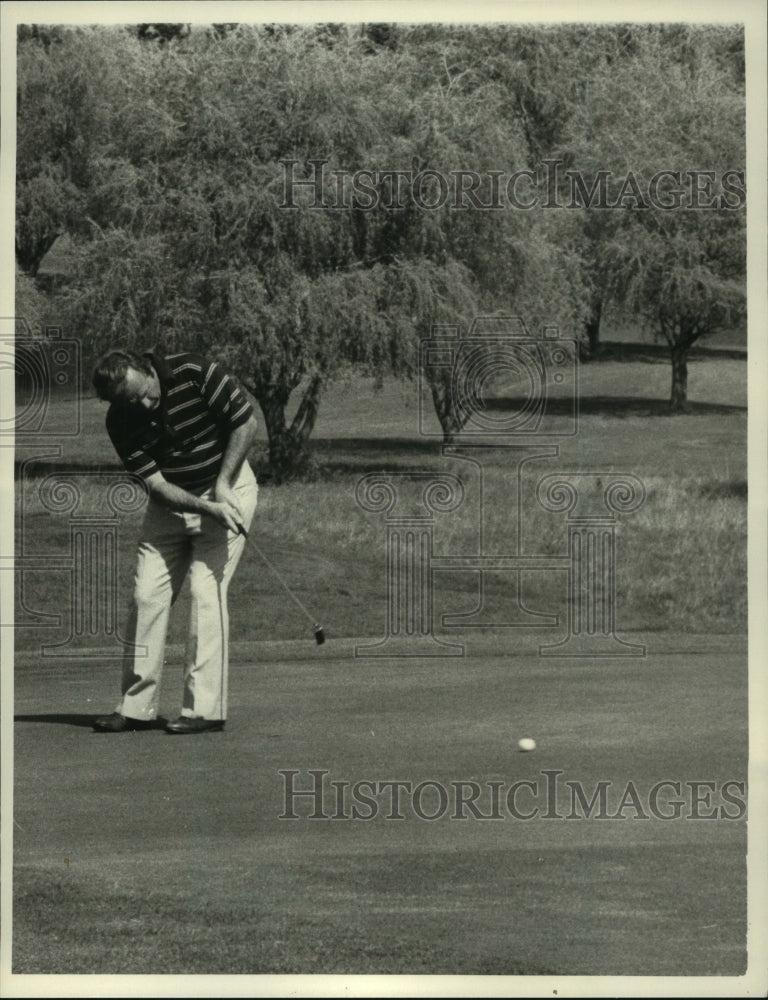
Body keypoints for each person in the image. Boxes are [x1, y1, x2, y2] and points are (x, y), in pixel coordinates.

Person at [91, 348, 259, 734]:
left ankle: (204, 711)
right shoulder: (119, 420)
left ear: (149, 369)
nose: (143, 406)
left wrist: (222, 485)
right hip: (170, 503)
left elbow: (245, 423)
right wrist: (202, 506)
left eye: (144, 394)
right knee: (146, 594)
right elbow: (157, 486)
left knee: (205, 592)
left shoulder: (194, 371)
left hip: (228, 488)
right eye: (129, 402)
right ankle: (135, 707)